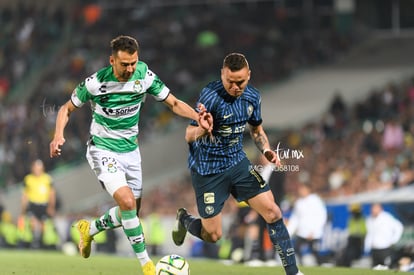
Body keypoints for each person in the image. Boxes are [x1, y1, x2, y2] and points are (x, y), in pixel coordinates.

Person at [49, 35, 211, 275]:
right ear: (112, 60)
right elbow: (66, 108)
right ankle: (147, 266)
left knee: (131, 213)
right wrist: (58, 135)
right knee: (125, 202)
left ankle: (90, 229)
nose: (130, 69)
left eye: (133, 62)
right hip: (102, 149)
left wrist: (197, 117)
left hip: (131, 152)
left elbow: (174, 103)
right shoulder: (96, 83)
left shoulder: (143, 76)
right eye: (124, 64)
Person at [172, 53, 303, 275]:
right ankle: (185, 219)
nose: (235, 86)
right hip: (208, 170)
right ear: (222, 74)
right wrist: (202, 129)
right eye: (230, 81)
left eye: (240, 81)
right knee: (213, 235)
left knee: (273, 212)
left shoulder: (252, 97)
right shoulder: (210, 96)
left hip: (237, 163)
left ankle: (294, 273)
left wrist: (267, 150)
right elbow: (188, 134)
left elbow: (257, 131)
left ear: (248, 75)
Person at [286, 182, 327, 266]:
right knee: (296, 248)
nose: (301, 191)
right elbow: (295, 219)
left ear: (308, 189)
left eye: (303, 189)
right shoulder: (299, 203)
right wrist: (288, 232)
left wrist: (314, 231)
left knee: (315, 251)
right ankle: (301, 264)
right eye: (300, 189)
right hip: (302, 232)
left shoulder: (316, 200)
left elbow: (321, 216)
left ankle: (322, 265)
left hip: (313, 233)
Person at [20, 159, 56, 248]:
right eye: (36, 168)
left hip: (44, 205)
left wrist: (51, 206)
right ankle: (33, 242)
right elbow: (25, 195)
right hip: (33, 205)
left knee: (44, 224)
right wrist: (23, 209)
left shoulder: (47, 178)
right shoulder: (28, 179)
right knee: (32, 223)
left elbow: (52, 194)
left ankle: (42, 242)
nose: (37, 170)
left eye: (39, 168)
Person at [364, 203, 404, 269]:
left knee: (386, 268)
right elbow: (369, 234)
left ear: (380, 208)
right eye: (372, 208)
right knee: (375, 269)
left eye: (375, 208)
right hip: (374, 249)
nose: (373, 210)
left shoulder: (387, 217)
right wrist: (367, 248)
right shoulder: (369, 219)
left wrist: (394, 240)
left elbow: (399, 227)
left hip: (385, 249)